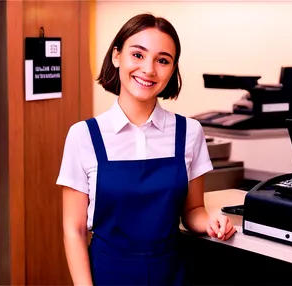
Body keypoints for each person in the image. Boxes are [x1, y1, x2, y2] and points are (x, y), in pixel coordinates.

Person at [57, 13, 237, 286]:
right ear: (117, 56)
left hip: (174, 273)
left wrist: (212, 221)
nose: (149, 70)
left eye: (162, 60)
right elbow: (74, 229)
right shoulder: (84, 135)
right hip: (108, 274)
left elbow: (193, 210)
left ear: (173, 69)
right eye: (138, 55)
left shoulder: (189, 132)